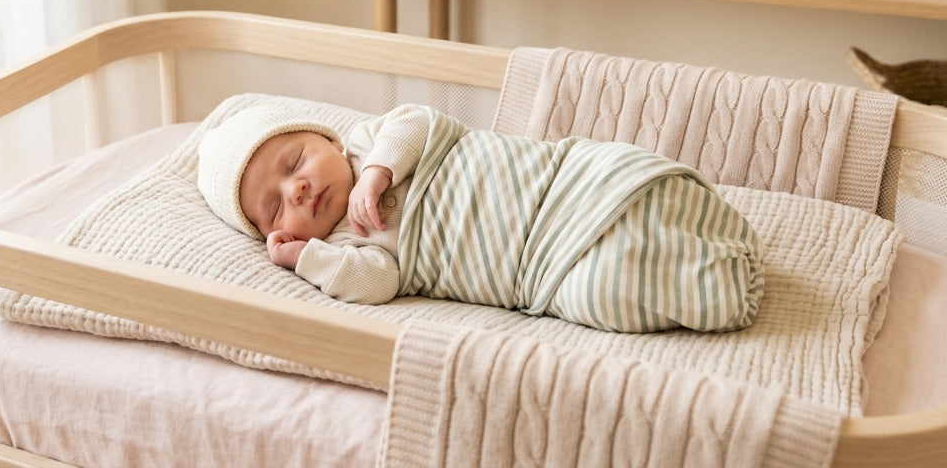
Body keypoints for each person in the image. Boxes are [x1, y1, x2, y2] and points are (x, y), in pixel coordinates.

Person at [197, 103, 764, 333]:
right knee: (605, 286)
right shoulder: (349, 248)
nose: (296, 188)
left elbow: (421, 121)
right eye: (276, 206)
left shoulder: (371, 142)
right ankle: (709, 283)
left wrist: (377, 173)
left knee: (621, 173)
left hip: (558, 180)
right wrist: (308, 259)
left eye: (294, 162)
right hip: (539, 263)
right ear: (277, 232)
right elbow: (377, 284)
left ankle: (692, 220)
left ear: (326, 138)